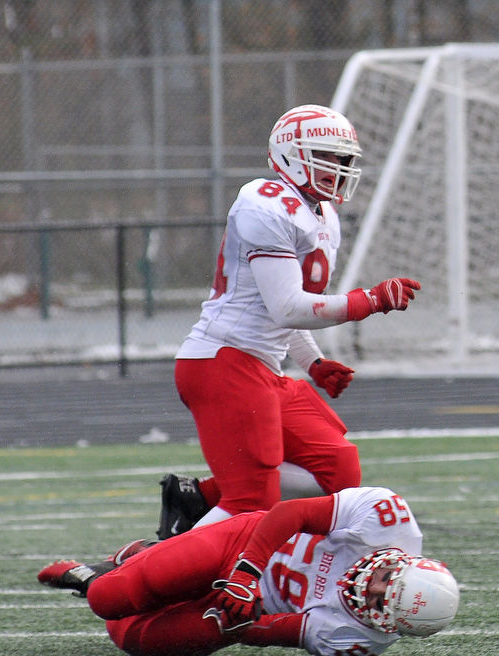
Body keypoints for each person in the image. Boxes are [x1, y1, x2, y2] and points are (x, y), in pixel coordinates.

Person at [160, 104, 421, 537]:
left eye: (342, 158)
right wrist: (369, 301)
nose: (337, 166)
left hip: (262, 367)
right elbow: (287, 307)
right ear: (292, 154)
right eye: (326, 155)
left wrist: (313, 361)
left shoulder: (322, 215)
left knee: (338, 469)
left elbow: (286, 308)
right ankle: (143, 563)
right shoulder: (264, 203)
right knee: (250, 502)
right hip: (224, 361)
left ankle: (199, 497)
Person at [38, 486, 460, 656]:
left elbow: (275, 631)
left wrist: (239, 623)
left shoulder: (358, 640)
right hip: (245, 544)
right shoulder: (388, 518)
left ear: (389, 626)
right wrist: (246, 572)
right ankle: (132, 559)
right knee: (108, 599)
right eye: (386, 579)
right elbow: (290, 513)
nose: (371, 588)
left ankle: (138, 563)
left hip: (246, 602)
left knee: (133, 639)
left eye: (378, 603)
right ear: (402, 561)